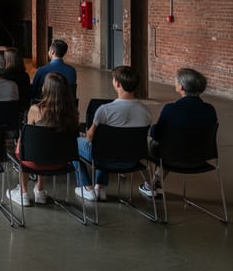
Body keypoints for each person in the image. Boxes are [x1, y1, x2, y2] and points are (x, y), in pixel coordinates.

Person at [73, 65, 151, 202]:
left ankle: (86, 186)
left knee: (74, 143)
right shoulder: (146, 111)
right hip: (132, 159)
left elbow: (91, 137)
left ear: (117, 83)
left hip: (104, 158)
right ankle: (100, 187)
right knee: (108, 145)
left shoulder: (104, 110)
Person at [139, 68, 218, 198]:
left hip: (173, 156)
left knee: (141, 142)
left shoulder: (171, 109)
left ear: (181, 87)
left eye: (175, 81)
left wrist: (152, 128)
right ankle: (156, 184)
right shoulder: (210, 110)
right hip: (200, 157)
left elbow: (156, 134)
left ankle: (149, 185)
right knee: (174, 144)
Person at [6, 72, 78, 207]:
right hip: (61, 161)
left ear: (46, 89)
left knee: (28, 143)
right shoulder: (72, 113)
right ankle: (39, 189)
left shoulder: (36, 110)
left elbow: (28, 138)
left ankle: (23, 192)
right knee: (44, 144)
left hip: (33, 162)